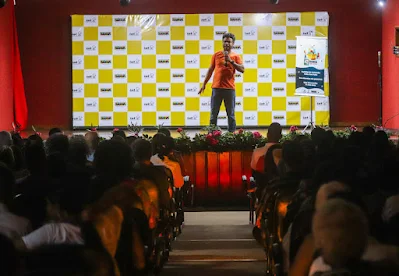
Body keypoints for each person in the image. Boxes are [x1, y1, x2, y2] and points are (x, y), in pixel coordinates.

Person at [199, 32, 245, 132]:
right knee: (213, 114)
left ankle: (231, 135)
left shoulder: (236, 56)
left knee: (231, 114)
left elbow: (242, 69)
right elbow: (211, 70)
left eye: (229, 42)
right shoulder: (216, 55)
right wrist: (204, 84)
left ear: (233, 44)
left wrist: (232, 61)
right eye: (225, 42)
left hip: (229, 89)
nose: (226, 44)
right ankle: (212, 135)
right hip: (216, 88)